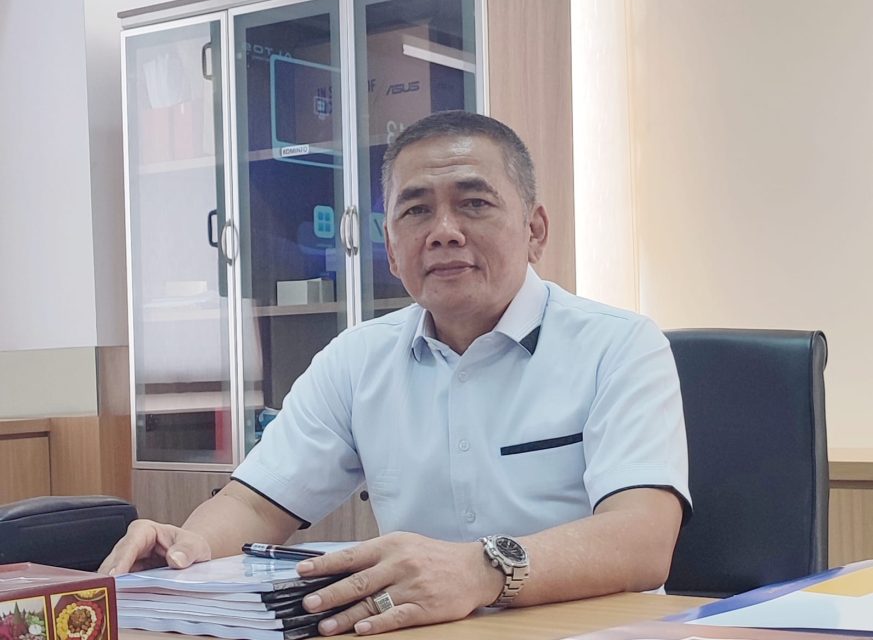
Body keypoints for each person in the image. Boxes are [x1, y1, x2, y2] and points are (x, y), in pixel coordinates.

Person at [101, 110, 690, 636]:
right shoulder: (356, 359)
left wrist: (480, 569)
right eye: (416, 210)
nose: (444, 230)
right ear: (389, 246)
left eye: (475, 203)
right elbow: (256, 506)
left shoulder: (619, 344)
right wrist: (190, 548)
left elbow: (642, 540)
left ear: (535, 230)